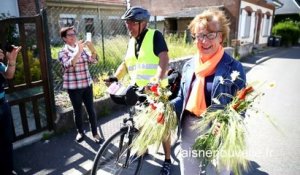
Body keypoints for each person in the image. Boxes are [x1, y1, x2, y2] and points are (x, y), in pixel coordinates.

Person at [171, 8, 246, 175]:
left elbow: (241, 107)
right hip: (189, 127)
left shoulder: (234, 67)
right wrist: (166, 108)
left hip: (219, 132)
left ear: (221, 36)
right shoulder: (189, 65)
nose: (204, 41)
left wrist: (226, 124)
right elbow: (182, 98)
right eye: (199, 35)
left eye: (210, 35)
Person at [106, 6, 172, 175]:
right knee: (140, 122)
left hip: (156, 91)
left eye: (133, 23)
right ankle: (142, 150)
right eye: (128, 23)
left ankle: (167, 159)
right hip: (138, 90)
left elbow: (164, 57)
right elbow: (126, 64)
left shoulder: (154, 36)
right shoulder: (131, 41)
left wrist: (156, 80)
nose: (129, 26)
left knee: (161, 126)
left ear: (143, 23)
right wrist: (115, 78)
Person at [58, 26, 103, 144]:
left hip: (87, 85)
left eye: (74, 34)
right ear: (64, 38)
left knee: (91, 110)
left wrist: (92, 49)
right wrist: (79, 50)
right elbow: (69, 64)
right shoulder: (63, 52)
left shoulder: (82, 49)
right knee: (77, 110)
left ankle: (95, 133)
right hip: (73, 88)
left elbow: (94, 60)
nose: (73, 36)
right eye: (70, 35)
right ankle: (80, 132)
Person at [0, 45, 22, 175]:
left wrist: (11, 61)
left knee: (7, 140)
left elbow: (8, 75)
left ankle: (8, 169)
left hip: (3, 105)